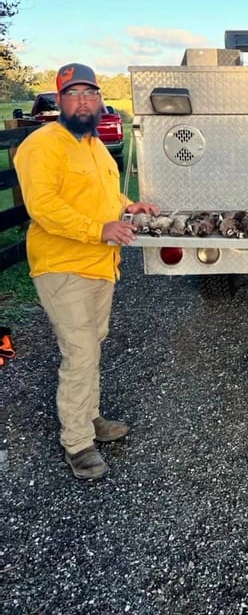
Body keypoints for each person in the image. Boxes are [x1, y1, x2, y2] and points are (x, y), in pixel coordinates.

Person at [14, 63, 159, 481]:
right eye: (73, 94)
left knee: (92, 344)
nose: (83, 100)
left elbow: (101, 192)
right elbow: (43, 206)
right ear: (59, 100)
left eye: (90, 93)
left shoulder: (93, 143)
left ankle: (90, 417)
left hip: (99, 263)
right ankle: (77, 443)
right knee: (79, 352)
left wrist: (126, 206)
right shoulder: (44, 145)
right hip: (63, 264)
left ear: (99, 100)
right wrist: (99, 229)